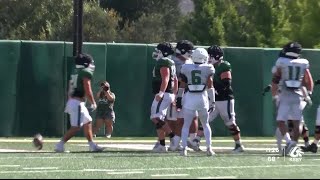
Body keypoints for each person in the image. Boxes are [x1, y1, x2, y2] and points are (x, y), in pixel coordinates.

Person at [194, 45, 244, 153]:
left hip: (225, 99)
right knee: (205, 119)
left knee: (230, 122)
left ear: (216, 56)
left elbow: (227, 82)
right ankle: (196, 141)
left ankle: (239, 145)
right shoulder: (207, 66)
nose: (208, 58)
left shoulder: (223, 65)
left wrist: (215, 88)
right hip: (214, 99)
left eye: (210, 55)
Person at [55, 53, 104, 152]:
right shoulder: (85, 72)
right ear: (86, 63)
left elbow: (70, 88)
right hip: (77, 102)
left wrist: (70, 101)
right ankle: (59, 144)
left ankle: (92, 145)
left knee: (88, 122)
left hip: (75, 101)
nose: (92, 65)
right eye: (90, 63)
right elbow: (87, 87)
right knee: (76, 127)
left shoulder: (75, 72)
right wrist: (93, 102)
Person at [271, 41, 314, 155]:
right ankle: (293, 144)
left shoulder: (282, 62)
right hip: (298, 95)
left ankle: (289, 142)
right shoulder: (303, 63)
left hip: (285, 94)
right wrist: (308, 93)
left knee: (280, 121)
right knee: (298, 123)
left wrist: (274, 94)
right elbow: (308, 80)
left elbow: (275, 80)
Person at [178, 47, 215, 156]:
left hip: (190, 98)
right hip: (202, 98)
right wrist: (212, 101)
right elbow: (210, 86)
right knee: (205, 124)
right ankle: (209, 148)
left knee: (186, 125)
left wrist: (179, 98)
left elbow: (182, 86)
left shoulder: (186, 67)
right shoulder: (208, 68)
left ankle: (183, 149)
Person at [166, 40, 199, 152]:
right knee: (174, 119)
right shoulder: (172, 61)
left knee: (194, 116)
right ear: (183, 51)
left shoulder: (190, 61)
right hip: (175, 92)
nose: (191, 53)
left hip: (190, 93)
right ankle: (174, 141)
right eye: (189, 51)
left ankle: (192, 140)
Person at [151, 42, 180, 152]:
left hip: (164, 94)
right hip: (169, 94)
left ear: (164, 52)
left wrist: (161, 92)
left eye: (158, 51)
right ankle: (162, 145)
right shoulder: (170, 62)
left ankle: (174, 137)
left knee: (155, 117)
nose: (156, 53)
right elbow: (176, 80)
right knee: (160, 119)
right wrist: (175, 95)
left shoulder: (164, 62)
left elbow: (166, 78)